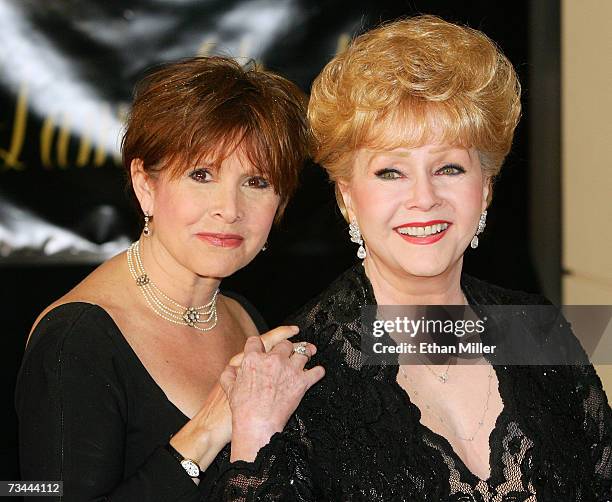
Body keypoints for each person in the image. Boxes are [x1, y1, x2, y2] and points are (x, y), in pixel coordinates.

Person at [204, 16, 612, 500]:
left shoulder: (538, 330)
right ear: (346, 197)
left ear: (485, 190)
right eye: (391, 172)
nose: (425, 197)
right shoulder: (296, 375)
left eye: (450, 168)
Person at [15, 56, 324, 501]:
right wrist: (207, 431)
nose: (230, 209)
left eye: (256, 182)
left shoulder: (244, 318)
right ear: (145, 186)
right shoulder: (76, 340)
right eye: (202, 175)